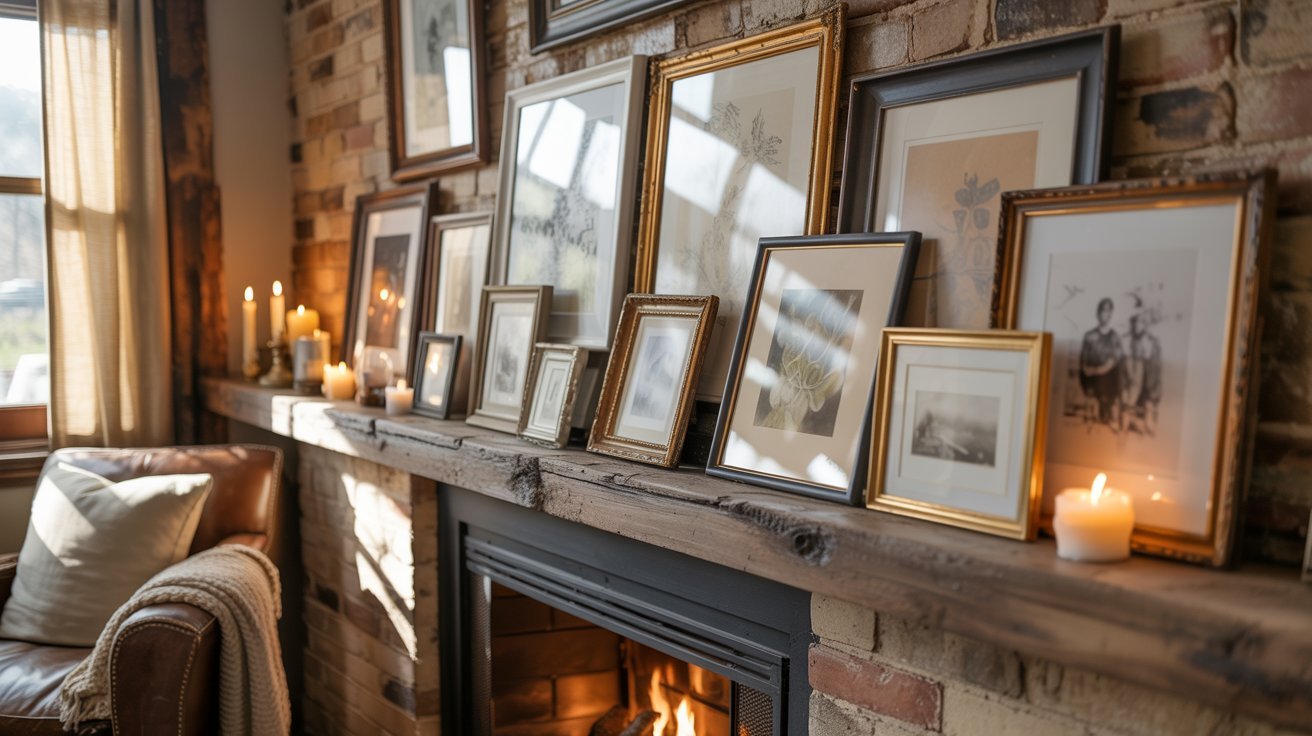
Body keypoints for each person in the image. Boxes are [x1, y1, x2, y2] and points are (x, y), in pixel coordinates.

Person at [1079, 298, 1124, 428]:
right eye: (1103, 310)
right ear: (1098, 313)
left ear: (1111, 314)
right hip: (1091, 379)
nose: (1106, 314)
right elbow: (1083, 361)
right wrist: (1088, 370)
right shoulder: (1089, 336)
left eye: (1109, 311)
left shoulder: (1115, 337)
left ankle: (1108, 412)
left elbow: (1114, 361)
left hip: (1108, 379)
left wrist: (1097, 370)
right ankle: (1092, 411)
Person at [1122, 313, 1163, 435]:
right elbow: (1127, 360)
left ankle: (1147, 419)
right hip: (1133, 373)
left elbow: (1155, 361)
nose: (1138, 325)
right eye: (1136, 322)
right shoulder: (1128, 339)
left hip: (1147, 375)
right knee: (1133, 390)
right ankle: (1128, 420)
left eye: (1141, 322)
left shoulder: (1152, 341)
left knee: (1152, 386)